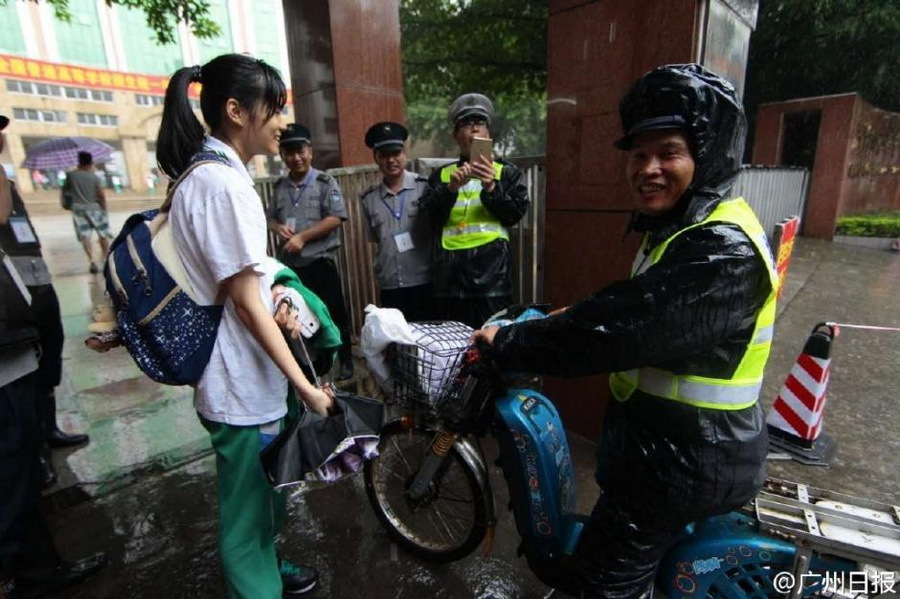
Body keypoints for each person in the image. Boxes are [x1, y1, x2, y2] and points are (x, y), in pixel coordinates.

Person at [473, 64, 777, 598]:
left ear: (706, 157)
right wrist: (559, 314)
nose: (649, 169)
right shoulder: (686, 226)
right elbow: (638, 304)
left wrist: (515, 342)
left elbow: (618, 331)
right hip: (669, 446)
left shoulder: (720, 247)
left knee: (602, 583)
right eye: (639, 155)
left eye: (668, 153)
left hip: (683, 463)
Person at [155, 55, 333, 598]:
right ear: (236, 111)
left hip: (252, 378)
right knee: (244, 520)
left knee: (265, 501)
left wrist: (277, 293)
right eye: (274, 108)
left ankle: (267, 565)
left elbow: (244, 285)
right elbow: (242, 305)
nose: (282, 122)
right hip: (239, 386)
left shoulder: (215, 177)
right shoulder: (219, 186)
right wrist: (306, 387)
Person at [0, 115, 89, 489]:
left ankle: (49, 430)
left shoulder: (7, 182)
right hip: (11, 295)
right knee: (24, 372)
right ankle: (34, 453)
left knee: (48, 360)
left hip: (37, 283)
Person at [418, 93, 529, 329]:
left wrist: (491, 188)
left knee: (492, 342)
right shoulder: (442, 176)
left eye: (480, 123)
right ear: (456, 136)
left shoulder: (506, 173)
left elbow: (514, 214)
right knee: (454, 347)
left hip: (493, 279)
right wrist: (450, 190)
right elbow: (429, 217)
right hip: (451, 280)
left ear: (488, 133)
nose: (474, 130)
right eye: (467, 124)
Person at [267, 123, 355, 380]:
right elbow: (270, 217)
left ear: (310, 151)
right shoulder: (280, 187)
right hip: (294, 270)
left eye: (300, 151)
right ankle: (312, 366)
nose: (296, 158)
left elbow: (337, 217)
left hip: (320, 263)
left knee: (335, 314)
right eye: (289, 152)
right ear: (282, 155)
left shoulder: (325, 182)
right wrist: (278, 227)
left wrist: (303, 237)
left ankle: (346, 361)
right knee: (300, 318)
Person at [360, 121, 435, 321]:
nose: (391, 160)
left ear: (404, 154)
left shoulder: (425, 188)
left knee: (427, 341)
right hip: (391, 284)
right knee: (397, 343)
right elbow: (376, 240)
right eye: (384, 155)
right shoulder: (369, 199)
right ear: (376, 157)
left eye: (396, 153)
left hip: (424, 282)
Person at [62, 151, 112, 274]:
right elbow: (101, 195)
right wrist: (104, 210)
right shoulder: (94, 176)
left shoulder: (70, 176)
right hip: (94, 208)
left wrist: (67, 204)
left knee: (85, 236)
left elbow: (65, 192)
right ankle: (106, 259)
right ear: (90, 162)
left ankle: (92, 261)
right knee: (103, 234)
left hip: (78, 208)